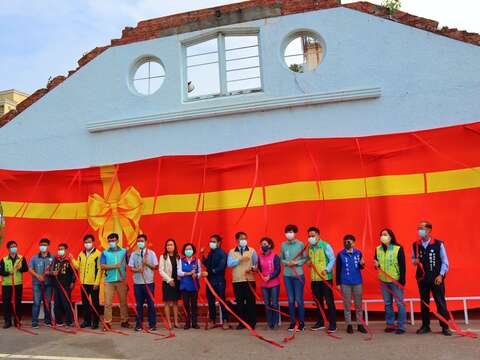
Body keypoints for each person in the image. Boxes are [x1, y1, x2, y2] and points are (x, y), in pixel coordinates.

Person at [412, 221, 452, 336]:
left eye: (422, 228)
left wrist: (441, 275)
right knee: (424, 302)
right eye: (418, 228)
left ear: (429, 230)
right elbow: (413, 259)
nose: (419, 230)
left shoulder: (438, 244)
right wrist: (415, 261)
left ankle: (445, 326)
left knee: (440, 302)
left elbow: (445, 261)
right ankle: (425, 326)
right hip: (422, 279)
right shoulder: (415, 244)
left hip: (436, 278)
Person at [374, 228, 407, 334]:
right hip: (383, 280)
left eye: (385, 234)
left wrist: (402, 280)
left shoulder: (398, 248)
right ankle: (390, 324)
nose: (383, 236)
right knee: (388, 303)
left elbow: (402, 265)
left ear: (390, 237)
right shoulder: (378, 249)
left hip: (395, 280)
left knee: (399, 303)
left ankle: (401, 326)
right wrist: (376, 265)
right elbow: (377, 264)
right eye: (381, 234)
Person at [307, 226, 337, 333]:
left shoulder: (325, 246)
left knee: (329, 301)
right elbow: (309, 261)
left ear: (318, 236)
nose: (311, 238)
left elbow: (333, 259)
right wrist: (308, 264)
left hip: (325, 278)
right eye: (309, 236)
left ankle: (333, 324)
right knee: (318, 302)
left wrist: (327, 269)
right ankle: (320, 322)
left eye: (313, 236)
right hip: (314, 279)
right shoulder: (309, 248)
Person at [336, 234, 366, 334]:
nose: (347, 244)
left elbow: (361, 267)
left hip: (357, 282)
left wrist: (362, 264)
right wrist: (338, 283)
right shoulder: (340, 254)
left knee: (358, 304)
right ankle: (349, 324)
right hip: (345, 282)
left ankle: (360, 324)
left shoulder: (358, 253)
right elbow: (338, 269)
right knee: (347, 304)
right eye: (345, 242)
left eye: (349, 242)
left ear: (354, 243)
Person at [227, 231, 258, 330]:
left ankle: (252, 322)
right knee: (240, 303)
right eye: (241, 239)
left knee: (250, 302)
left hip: (249, 280)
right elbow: (229, 264)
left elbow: (256, 265)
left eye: (245, 238)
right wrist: (240, 259)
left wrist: (252, 268)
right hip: (237, 280)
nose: (244, 240)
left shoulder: (252, 250)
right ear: (237, 240)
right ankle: (241, 323)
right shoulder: (232, 251)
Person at [128, 234, 159, 331]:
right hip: (138, 283)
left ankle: (152, 324)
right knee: (139, 304)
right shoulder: (134, 254)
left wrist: (147, 264)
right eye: (138, 241)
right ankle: (139, 324)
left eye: (142, 241)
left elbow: (156, 267)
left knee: (151, 304)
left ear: (146, 242)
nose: (140, 243)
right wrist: (138, 270)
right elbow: (131, 267)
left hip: (149, 282)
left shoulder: (151, 253)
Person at [280, 224, 307, 331]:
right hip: (287, 275)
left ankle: (301, 323)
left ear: (295, 233)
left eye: (291, 232)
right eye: (287, 232)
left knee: (299, 299)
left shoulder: (300, 244)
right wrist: (287, 263)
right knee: (290, 300)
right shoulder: (283, 245)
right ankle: (292, 322)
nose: (289, 234)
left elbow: (305, 258)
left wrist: (296, 263)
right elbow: (281, 258)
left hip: (298, 274)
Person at [100, 233, 129, 330]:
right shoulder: (104, 253)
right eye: (110, 241)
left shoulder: (124, 252)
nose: (111, 242)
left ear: (117, 241)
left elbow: (129, 263)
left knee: (123, 302)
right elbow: (102, 266)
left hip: (121, 280)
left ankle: (124, 321)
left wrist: (128, 253)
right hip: (109, 281)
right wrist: (114, 266)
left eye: (113, 240)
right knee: (108, 303)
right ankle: (107, 323)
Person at [201, 234, 230, 330]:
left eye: (213, 241)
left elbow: (220, 268)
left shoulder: (222, 254)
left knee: (222, 301)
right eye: (210, 241)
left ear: (219, 243)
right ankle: (212, 321)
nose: (211, 243)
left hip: (219, 281)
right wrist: (202, 255)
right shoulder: (211, 253)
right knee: (210, 302)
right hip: (210, 282)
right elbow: (207, 264)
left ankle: (225, 321)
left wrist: (208, 273)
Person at [72, 234, 101, 329]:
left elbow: (100, 269)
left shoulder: (98, 254)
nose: (87, 244)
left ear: (93, 242)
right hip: (83, 283)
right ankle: (87, 321)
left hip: (93, 283)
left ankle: (95, 322)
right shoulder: (81, 254)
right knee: (85, 303)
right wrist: (72, 259)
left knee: (95, 303)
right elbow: (77, 266)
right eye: (85, 242)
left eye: (89, 242)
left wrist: (97, 283)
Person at [0, 240, 28, 328]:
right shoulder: (4, 259)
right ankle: (7, 321)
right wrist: (8, 273)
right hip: (7, 285)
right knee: (6, 303)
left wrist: (20, 268)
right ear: (8, 248)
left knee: (17, 302)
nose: (14, 248)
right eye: (12, 247)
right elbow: (1, 271)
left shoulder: (21, 258)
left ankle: (17, 320)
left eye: (15, 246)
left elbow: (26, 269)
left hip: (17, 284)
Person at [29, 238, 55, 328]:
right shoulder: (34, 257)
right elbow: (30, 268)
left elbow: (55, 270)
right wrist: (37, 276)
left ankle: (47, 321)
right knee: (36, 302)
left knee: (47, 302)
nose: (43, 247)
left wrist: (50, 273)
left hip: (48, 284)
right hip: (37, 284)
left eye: (45, 245)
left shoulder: (53, 257)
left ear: (48, 246)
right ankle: (34, 321)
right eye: (41, 245)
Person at [257, 237, 281, 330]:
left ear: (269, 245)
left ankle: (275, 323)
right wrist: (254, 269)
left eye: (264, 244)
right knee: (267, 304)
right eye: (262, 244)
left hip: (274, 283)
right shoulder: (259, 256)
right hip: (264, 284)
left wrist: (270, 277)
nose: (263, 246)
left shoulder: (275, 256)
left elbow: (278, 269)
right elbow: (258, 268)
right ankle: (269, 323)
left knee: (274, 303)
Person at [178, 243, 201, 330]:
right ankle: (187, 322)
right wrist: (189, 273)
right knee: (186, 304)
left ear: (193, 250)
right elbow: (179, 272)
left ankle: (194, 323)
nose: (188, 251)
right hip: (184, 286)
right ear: (184, 251)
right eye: (187, 249)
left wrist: (196, 275)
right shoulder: (181, 260)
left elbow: (199, 273)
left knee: (194, 305)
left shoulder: (196, 260)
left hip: (194, 286)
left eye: (190, 249)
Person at [159, 238, 181, 329]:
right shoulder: (163, 256)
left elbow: (179, 269)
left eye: (171, 244)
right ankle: (169, 322)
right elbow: (161, 270)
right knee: (167, 303)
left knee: (175, 302)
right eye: (168, 245)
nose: (169, 246)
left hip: (176, 282)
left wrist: (179, 277)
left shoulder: (178, 256)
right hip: (167, 282)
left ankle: (176, 322)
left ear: (174, 246)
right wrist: (169, 280)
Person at [52, 243, 75, 327]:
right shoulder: (55, 260)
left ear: (66, 250)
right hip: (56, 285)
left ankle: (69, 321)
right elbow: (51, 270)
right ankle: (59, 321)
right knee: (56, 304)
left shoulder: (69, 260)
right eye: (59, 249)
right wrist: (52, 273)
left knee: (66, 303)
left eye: (62, 249)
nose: (60, 251)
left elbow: (74, 272)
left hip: (66, 285)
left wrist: (73, 282)